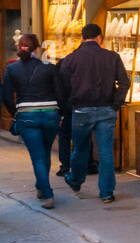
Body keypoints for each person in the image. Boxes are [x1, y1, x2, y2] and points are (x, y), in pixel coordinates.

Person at [55, 23, 128, 204]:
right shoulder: (112, 57)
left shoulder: (70, 59)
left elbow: (61, 86)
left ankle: (75, 180)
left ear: (82, 38)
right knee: (105, 151)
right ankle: (106, 192)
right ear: (99, 38)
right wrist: (116, 104)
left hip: (81, 110)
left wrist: (67, 106)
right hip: (106, 109)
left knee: (80, 148)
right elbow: (124, 83)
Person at [2, 34, 61, 208]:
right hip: (51, 113)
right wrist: (62, 113)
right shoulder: (49, 67)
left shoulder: (12, 69)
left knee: (37, 157)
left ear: (19, 47)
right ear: (37, 48)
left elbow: (6, 96)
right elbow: (60, 93)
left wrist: (15, 113)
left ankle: (47, 194)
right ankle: (41, 187)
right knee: (45, 151)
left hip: (27, 115)